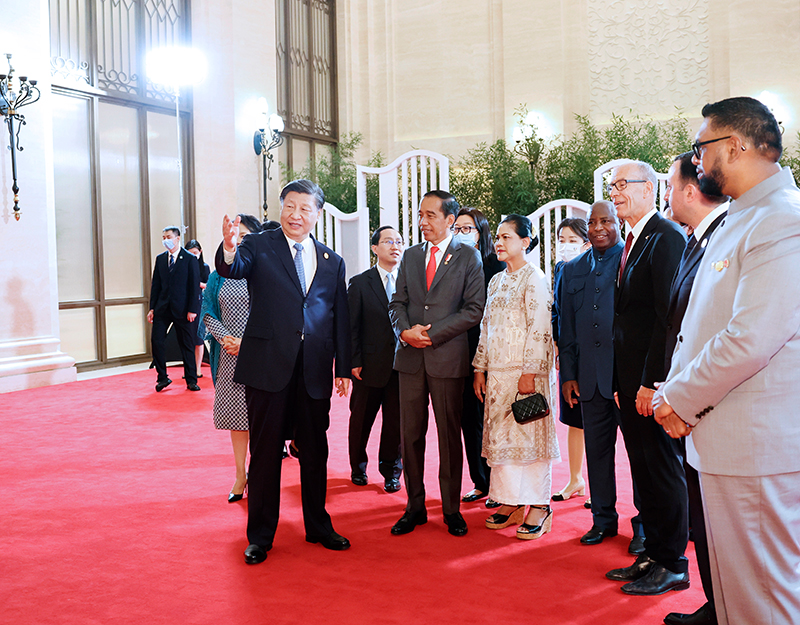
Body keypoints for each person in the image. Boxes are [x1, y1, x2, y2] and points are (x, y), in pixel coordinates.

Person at [654, 96, 800, 625]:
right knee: (741, 597)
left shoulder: (781, 219)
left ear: (736, 146)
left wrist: (678, 397)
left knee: (766, 599)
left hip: (756, 445)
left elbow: (750, 337)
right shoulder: (745, 215)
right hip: (729, 442)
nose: (696, 161)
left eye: (702, 146)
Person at [215, 179, 352, 565]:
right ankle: (260, 535)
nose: (296, 215)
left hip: (313, 370)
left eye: (305, 208)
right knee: (265, 453)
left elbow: (338, 315)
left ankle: (318, 525)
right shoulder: (259, 246)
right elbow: (231, 268)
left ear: (317, 214)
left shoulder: (331, 260)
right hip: (267, 367)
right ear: (281, 208)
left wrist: (343, 366)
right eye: (290, 206)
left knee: (315, 451)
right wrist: (228, 246)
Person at [605, 159, 689, 596]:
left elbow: (667, 318)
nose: (615, 192)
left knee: (662, 467)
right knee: (643, 468)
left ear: (648, 188)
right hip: (629, 379)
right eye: (612, 184)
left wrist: (650, 382)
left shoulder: (667, 237)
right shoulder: (635, 239)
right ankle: (654, 553)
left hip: (650, 383)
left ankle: (674, 561)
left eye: (622, 184)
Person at [388, 190, 485, 537]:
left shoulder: (468, 257)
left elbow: (474, 309)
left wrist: (432, 335)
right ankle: (414, 507)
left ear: (449, 220)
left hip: (447, 359)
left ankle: (451, 509)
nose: (423, 222)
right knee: (410, 435)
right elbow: (396, 303)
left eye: (431, 215)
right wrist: (404, 332)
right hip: (410, 360)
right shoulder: (411, 256)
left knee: (449, 437)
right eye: (420, 215)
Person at [658, 152, 728, 625]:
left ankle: (726, 606)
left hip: (716, 408)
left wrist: (681, 398)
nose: (667, 195)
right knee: (704, 522)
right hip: (690, 400)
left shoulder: (724, 238)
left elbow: (724, 335)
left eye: (668, 184)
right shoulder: (695, 241)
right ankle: (717, 603)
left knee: (721, 525)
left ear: (688, 191)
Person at [558, 201, 645, 553]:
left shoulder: (633, 260)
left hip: (625, 382)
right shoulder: (572, 269)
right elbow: (566, 327)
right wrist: (569, 374)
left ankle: (644, 526)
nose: (598, 227)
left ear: (618, 223)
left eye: (606, 220)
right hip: (589, 379)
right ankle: (603, 520)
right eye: (592, 222)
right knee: (597, 453)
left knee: (640, 457)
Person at [473, 214, 559, 539]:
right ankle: (509, 502)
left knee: (529, 441)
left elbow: (540, 328)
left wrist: (530, 372)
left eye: (506, 237)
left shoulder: (534, 278)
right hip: (496, 377)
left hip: (526, 376)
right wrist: (479, 368)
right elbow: (485, 326)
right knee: (503, 443)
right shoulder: (496, 280)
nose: (498, 242)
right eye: (497, 236)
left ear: (525, 242)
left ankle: (539, 505)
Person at [201, 215, 262, 503]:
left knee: (262, 418)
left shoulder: (264, 273)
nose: (239, 240)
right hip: (229, 355)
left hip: (261, 353)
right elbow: (209, 312)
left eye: (245, 236)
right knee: (237, 419)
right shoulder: (218, 275)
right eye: (236, 235)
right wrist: (225, 338)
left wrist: (247, 342)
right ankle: (240, 475)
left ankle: (261, 475)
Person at [454, 207, 505, 507]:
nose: (461, 234)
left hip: (489, 357)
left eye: (467, 228)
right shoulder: (450, 265)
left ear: (481, 231)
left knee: (492, 422)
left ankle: (500, 485)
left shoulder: (494, 267)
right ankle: (480, 481)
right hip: (458, 354)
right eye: (457, 228)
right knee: (468, 422)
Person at [347, 226, 404, 493]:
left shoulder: (409, 281)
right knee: (361, 420)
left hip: (401, 366)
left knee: (396, 424)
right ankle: (358, 466)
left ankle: (392, 471)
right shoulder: (360, 282)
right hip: (368, 366)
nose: (395, 246)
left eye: (399, 241)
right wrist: (353, 360)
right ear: (375, 248)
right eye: (388, 241)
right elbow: (352, 326)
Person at [551, 217, 590, 503]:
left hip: (594, 353)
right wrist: (557, 343)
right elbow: (556, 309)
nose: (565, 246)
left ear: (587, 244)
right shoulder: (560, 268)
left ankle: (599, 482)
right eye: (561, 240)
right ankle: (575, 479)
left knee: (599, 421)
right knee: (573, 418)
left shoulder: (597, 268)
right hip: (569, 353)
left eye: (572, 241)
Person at [147, 226, 201, 392]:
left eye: (168, 236)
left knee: (186, 344)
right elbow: (156, 285)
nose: (165, 240)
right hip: (162, 308)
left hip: (183, 309)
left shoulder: (190, 259)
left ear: (177, 238)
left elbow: (194, 286)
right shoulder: (161, 259)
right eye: (163, 237)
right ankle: (162, 377)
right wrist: (152, 308)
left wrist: (192, 309)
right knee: (157, 341)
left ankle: (191, 380)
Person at [185, 239, 210, 378]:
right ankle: (189, 369)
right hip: (186, 304)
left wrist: (196, 283)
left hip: (200, 304)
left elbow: (208, 285)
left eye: (195, 253)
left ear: (200, 252)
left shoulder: (204, 267)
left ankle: (198, 368)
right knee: (187, 339)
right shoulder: (183, 266)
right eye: (190, 253)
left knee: (198, 339)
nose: (193, 256)